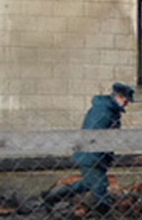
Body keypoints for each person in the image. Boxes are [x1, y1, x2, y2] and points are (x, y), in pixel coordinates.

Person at [43, 82, 134, 213]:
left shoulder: (107, 110)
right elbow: (97, 135)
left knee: (88, 183)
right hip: (92, 156)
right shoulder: (104, 112)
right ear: (118, 97)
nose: (126, 103)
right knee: (100, 186)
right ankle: (103, 215)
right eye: (125, 100)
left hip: (94, 155)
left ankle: (52, 196)